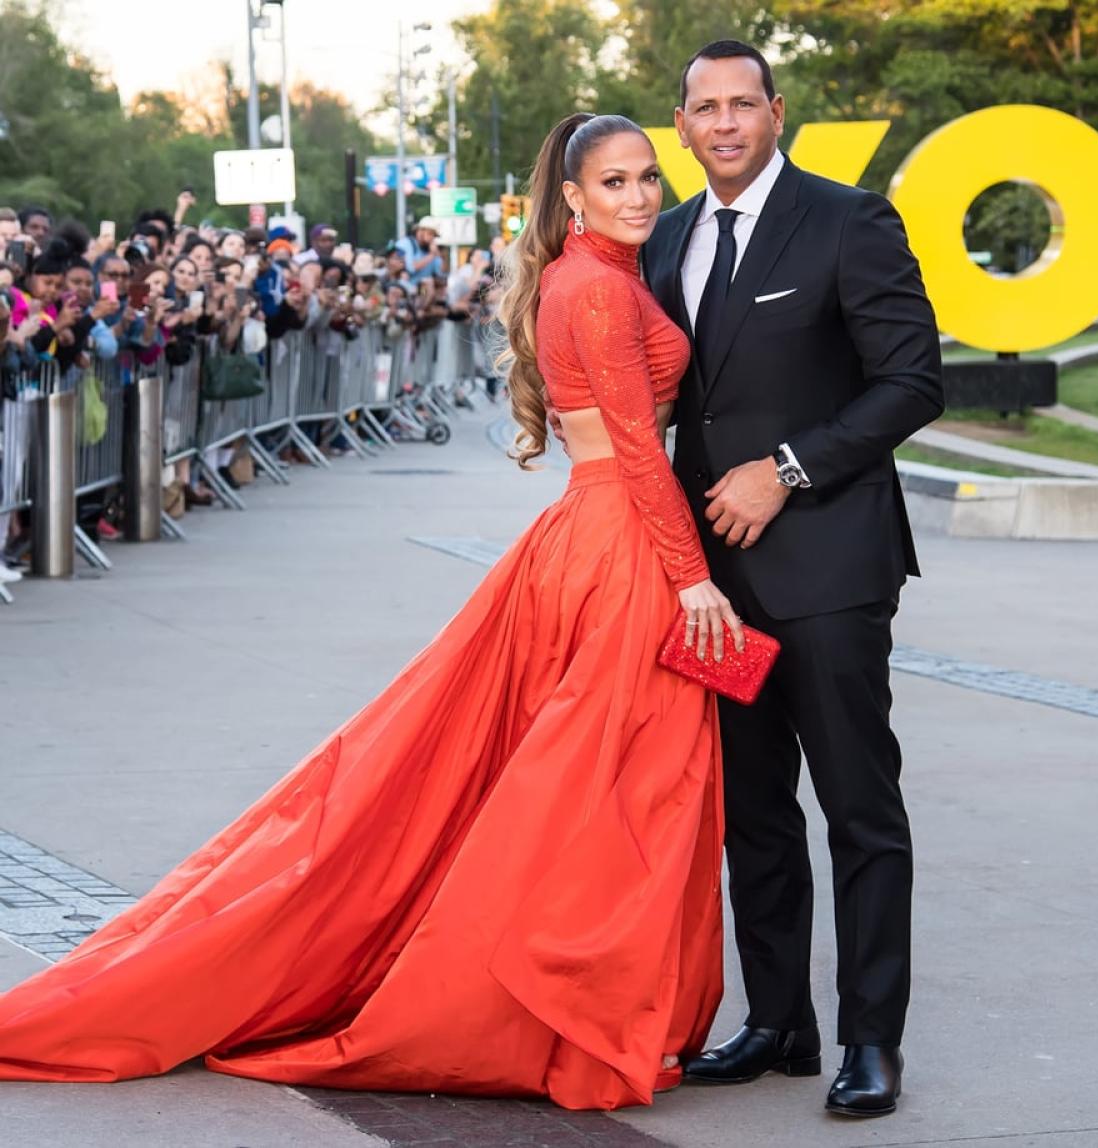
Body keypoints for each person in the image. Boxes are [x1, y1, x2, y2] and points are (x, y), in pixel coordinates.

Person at [0, 113, 737, 1112]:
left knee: (585, 780)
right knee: (613, 787)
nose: (640, 195)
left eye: (648, 176)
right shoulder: (599, 288)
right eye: (615, 181)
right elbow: (638, 449)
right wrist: (692, 576)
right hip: (622, 544)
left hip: (590, 534)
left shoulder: (591, 276)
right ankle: (553, 1011)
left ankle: (579, 1006)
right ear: (572, 197)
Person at [640, 40, 943, 1117]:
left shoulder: (849, 220)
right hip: (712, 586)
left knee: (859, 808)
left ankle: (871, 1040)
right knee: (752, 811)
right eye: (705, 107)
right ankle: (778, 1023)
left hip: (829, 567)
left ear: (776, 111)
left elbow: (913, 380)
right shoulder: (665, 236)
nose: (724, 123)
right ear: (681, 125)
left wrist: (787, 469)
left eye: (743, 104)